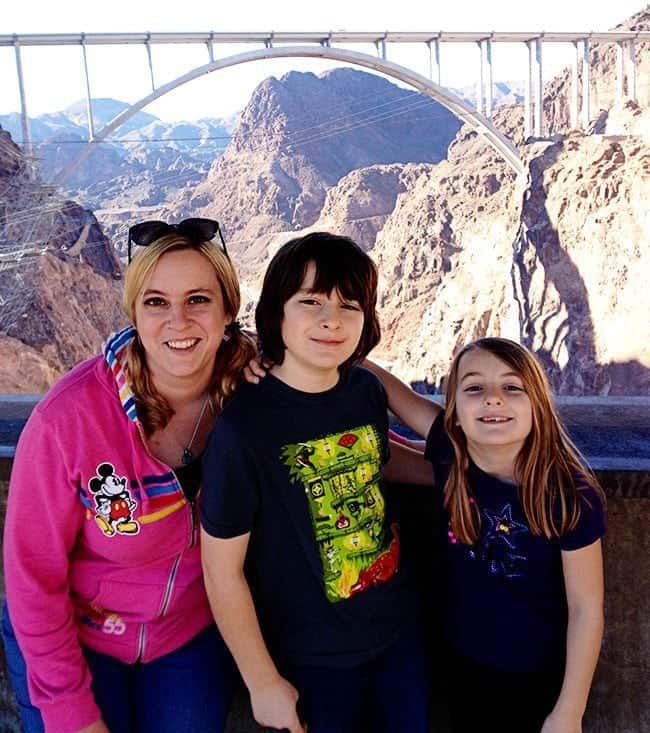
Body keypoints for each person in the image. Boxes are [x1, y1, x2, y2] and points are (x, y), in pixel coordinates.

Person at [2, 218, 256, 733]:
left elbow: (340, 397)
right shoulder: (68, 420)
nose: (178, 322)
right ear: (134, 312)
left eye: (199, 300)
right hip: (75, 636)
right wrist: (71, 712)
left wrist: (451, 451)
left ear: (228, 310)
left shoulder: (253, 387)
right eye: (156, 302)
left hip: (186, 634)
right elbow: (32, 579)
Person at [200, 232, 431, 733]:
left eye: (350, 306)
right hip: (310, 658)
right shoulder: (246, 427)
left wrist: (457, 475)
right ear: (276, 313)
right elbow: (221, 571)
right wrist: (262, 681)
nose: (332, 320)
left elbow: (373, 460)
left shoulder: (364, 391)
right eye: (311, 302)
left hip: (396, 632)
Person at [368, 337, 606, 733]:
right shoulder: (451, 453)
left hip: (534, 674)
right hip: (458, 659)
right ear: (455, 412)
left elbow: (586, 610)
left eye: (512, 387)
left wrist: (569, 711)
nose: (493, 399)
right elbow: (394, 393)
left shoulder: (568, 496)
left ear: (539, 407)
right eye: (475, 387)